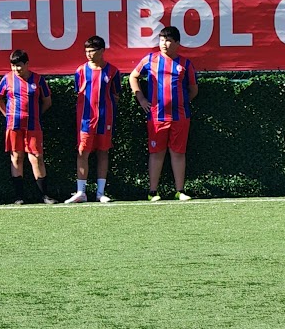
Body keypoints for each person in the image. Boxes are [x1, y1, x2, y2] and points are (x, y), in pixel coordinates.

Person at [131, 25, 198, 201]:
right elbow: (133, 76)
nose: (164, 44)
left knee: (178, 153)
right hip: (157, 117)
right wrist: (142, 99)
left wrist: (180, 102)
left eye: (168, 40)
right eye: (162, 40)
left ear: (177, 43)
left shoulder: (185, 64)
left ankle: (180, 191)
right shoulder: (150, 59)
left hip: (180, 117)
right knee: (157, 152)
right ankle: (153, 192)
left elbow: (193, 90)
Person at [0, 49, 55, 204]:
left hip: (33, 126)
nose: (16, 69)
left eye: (19, 66)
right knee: (16, 157)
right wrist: (6, 114)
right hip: (13, 126)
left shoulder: (38, 80)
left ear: (27, 64)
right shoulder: (7, 79)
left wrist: (37, 115)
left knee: (37, 158)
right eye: (13, 66)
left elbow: (47, 101)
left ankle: (44, 195)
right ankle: (19, 197)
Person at [68, 35, 120, 203]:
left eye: (92, 51)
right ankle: (81, 192)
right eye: (87, 51)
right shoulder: (81, 71)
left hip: (106, 119)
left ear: (102, 51)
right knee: (83, 152)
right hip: (85, 120)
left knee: (103, 152)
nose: (89, 54)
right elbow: (79, 92)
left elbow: (115, 95)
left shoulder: (113, 71)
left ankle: (100, 193)